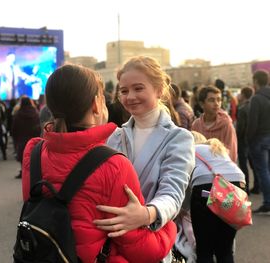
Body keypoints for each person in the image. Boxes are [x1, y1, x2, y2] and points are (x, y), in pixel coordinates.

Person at [21, 64, 177, 263]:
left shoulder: (33, 151)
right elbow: (140, 249)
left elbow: (32, 205)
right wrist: (170, 226)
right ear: (96, 104)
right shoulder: (113, 165)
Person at [94, 56, 194, 262]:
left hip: (152, 244)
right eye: (124, 91)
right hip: (112, 245)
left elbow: (173, 194)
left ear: (159, 89)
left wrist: (147, 214)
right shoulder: (114, 136)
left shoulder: (179, 138)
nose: (130, 96)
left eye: (138, 88)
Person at [190, 131, 246, 263]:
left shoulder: (190, 149)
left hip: (205, 188)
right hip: (236, 187)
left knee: (204, 249)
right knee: (225, 249)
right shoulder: (217, 150)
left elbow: (185, 190)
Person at [192, 86, 238, 162]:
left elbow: (232, 153)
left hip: (221, 169)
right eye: (211, 100)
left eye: (219, 100)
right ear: (202, 104)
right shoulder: (196, 125)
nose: (216, 103)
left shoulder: (226, 124)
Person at [247, 70, 270, 213]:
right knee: (267, 170)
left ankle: (268, 202)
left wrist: (248, 140)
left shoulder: (256, 99)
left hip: (259, 139)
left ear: (256, 81)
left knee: (262, 171)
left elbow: (252, 123)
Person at [11, 97, 41, 179]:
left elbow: (14, 128)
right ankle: (35, 173)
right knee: (34, 156)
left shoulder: (18, 114)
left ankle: (23, 172)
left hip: (22, 139)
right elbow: (39, 126)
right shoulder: (36, 113)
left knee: (23, 157)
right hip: (34, 138)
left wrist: (15, 138)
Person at [236, 87, 257, 194]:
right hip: (253, 139)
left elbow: (240, 127)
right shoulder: (254, 106)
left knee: (244, 166)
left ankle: (246, 188)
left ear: (243, 95)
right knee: (254, 165)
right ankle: (257, 186)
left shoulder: (242, 108)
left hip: (243, 141)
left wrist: (237, 137)